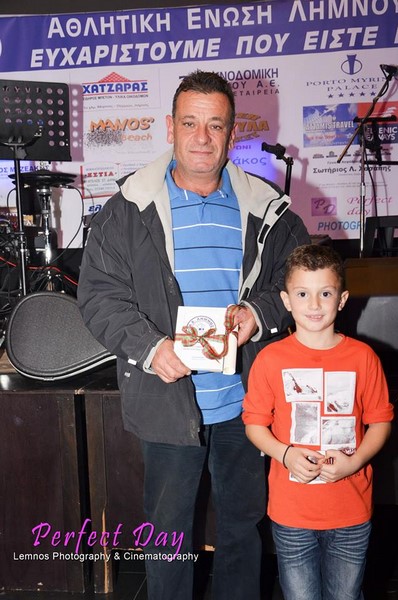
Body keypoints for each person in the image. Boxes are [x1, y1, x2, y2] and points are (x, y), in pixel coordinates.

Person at [77, 70, 309, 600]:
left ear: (232, 133)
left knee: (242, 530)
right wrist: (150, 347)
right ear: (170, 128)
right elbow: (98, 296)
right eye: (189, 123)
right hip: (166, 402)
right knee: (168, 538)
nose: (202, 137)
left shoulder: (267, 208)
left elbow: (295, 278)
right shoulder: (128, 208)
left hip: (247, 405)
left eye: (215, 125)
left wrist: (259, 312)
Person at [242, 244, 394, 600]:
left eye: (325, 293)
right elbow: (254, 425)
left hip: (351, 509)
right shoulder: (270, 359)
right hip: (291, 512)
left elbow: (381, 422)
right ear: (286, 300)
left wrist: (355, 462)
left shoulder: (363, 357)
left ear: (342, 300)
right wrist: (285, 454)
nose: (314, 304)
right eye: (302, 294)